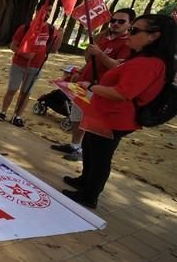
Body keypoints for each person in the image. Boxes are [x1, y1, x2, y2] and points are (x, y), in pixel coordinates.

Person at [62, 14, 175, 209]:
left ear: (153, 36)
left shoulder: (149, 63)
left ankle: (90, 194)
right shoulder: (141, 57)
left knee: (100, 155)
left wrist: (91, 87)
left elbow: (122, 93)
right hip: (104, 114)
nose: (129, 33)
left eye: (134, 30)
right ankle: (85, 180)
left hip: (116, 118)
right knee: (89, 146)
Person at [51, 8, 134, 161]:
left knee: (88, 120)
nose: (115, 24)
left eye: (121, 21)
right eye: (113, 20)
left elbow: (118, 67)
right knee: (76, 116)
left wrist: (100, 53)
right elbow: (90, 61)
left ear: (130, 24)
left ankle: (82, 151)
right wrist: (79, 71)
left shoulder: (127, 43)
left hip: (97, 87)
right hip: (83, 84)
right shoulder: (104, 38)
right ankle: (74, 145)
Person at [0, 11, 62, 127]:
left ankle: (17, 116)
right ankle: (3, 112)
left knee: (26, 93)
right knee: (12, 89)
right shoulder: (25, 27)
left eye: (50, 12)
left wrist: (60, 36)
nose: (47, 14)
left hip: (36, 66)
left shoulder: (50, 30)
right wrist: (24, 54)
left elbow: (52, 49)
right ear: (38, 11)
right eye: (45, 10)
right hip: (19, 64)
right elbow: (13, 46)